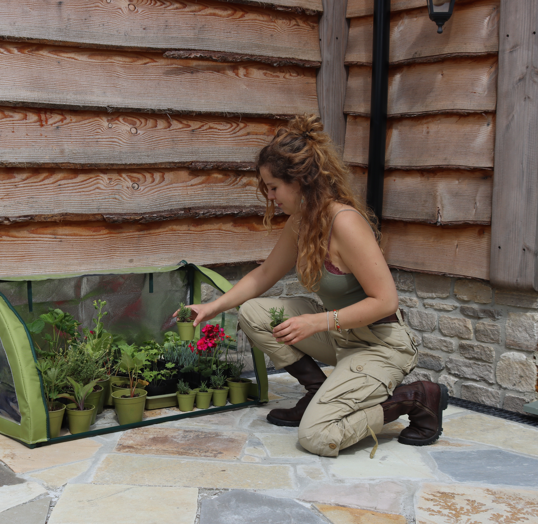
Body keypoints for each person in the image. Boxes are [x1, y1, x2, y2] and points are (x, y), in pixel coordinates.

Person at [182, 115, 448, 457]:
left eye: (274, 187)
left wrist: (316, 321)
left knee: (318, 437)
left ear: (302, 181)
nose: (270, 196)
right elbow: (264, 276)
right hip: (339, 335)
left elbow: (385, 301)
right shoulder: (301, 222)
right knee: (252, 312)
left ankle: (415, 398)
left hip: (378, 344)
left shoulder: (346, 223)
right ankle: (316, 392)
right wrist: (212, 307)